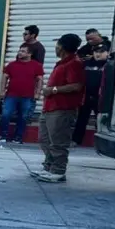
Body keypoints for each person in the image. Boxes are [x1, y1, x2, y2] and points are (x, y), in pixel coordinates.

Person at [37, 33, 87, 183]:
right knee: (44, 139)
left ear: (63, 47)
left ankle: (58, 171)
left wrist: (53, 90)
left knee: (58, 142)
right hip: (49, 107)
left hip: (62, 108)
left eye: (57, 44)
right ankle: (49, 166)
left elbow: (77, 86)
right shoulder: (62, 63)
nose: (55, 47)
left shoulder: (74, 64)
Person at [0, 45, 45, 144]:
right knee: (6, 114)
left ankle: (18, 137)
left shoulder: (36, 65)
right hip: (11, 95)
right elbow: (5, 77)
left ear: (30, 54)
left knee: (23, 117)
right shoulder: (12, 65)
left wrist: (37, 93)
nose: (19, 53)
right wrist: (2, 91)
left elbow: (40, 80)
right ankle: (2, 135)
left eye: (23, 51)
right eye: (19, 51)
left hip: (27, 96)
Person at [73, 41, 110, 145]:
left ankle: (102, 142)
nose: (98, 54)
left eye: (101, 52)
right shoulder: (86, 63)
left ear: (107, 53)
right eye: (96, 52)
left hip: (102, 97)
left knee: (101, 120)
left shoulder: (110, 65)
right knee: (81, 119)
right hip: (87, 95)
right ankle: (76, 140)